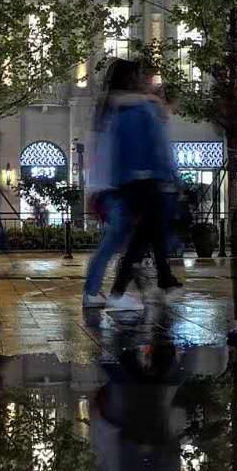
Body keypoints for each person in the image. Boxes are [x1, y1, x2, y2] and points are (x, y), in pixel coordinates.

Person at [104, 63, 184, 315]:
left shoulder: (118, 110)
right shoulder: (147, 109)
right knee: (145, 236)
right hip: (151, 181)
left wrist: (118, 181)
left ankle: (164, 280)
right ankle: (123, 290)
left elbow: (115, 149)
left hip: (129, 183)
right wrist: (173, 178)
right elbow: (160, 148)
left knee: (149, 234)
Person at [82, 59, 141, 307]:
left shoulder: (108, 106)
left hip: (109, 184)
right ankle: (100, 290)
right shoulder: (115, 104)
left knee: (123, 238)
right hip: (112, 184)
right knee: (117, 237)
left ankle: (109, 289)